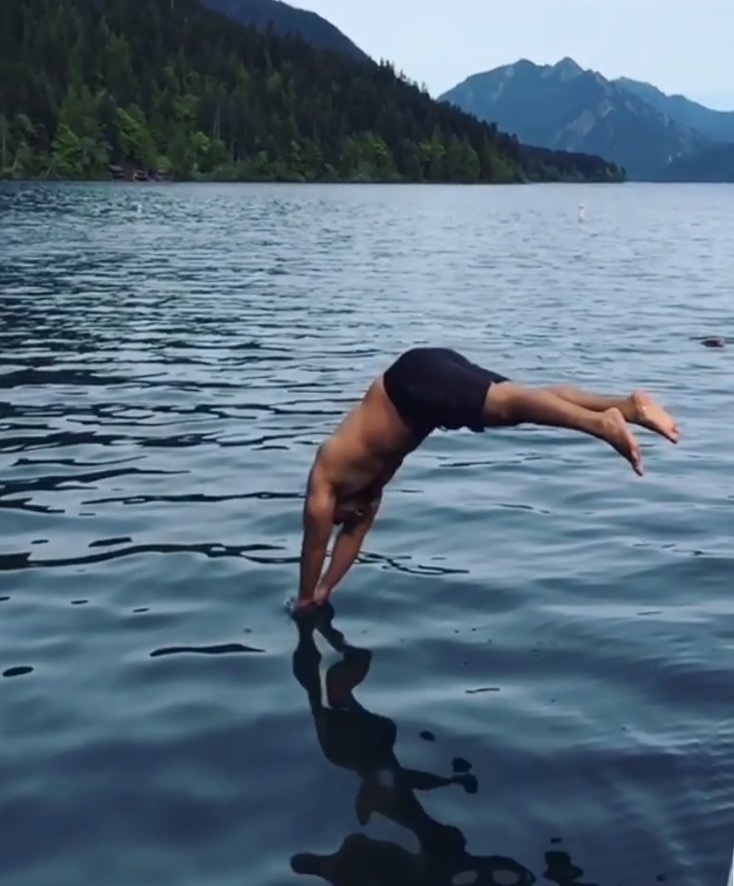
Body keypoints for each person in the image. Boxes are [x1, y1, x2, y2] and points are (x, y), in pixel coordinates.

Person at [296, 347, 679, 610]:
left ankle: (600, 424)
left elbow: (316, 547)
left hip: (409, 385)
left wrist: (303, 597)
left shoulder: (325, 481)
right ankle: (627, 407)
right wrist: (324, 590)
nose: (350, 520)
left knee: (511, 405)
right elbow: (350, 541)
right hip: (421, 390)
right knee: (523, 401)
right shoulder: (367, 495)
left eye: (340, 520)